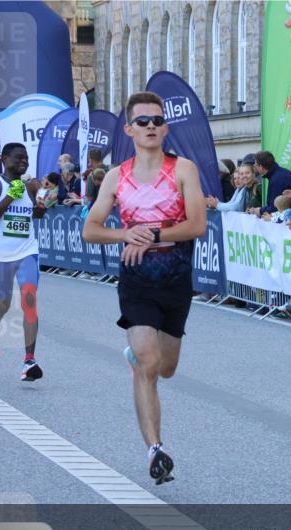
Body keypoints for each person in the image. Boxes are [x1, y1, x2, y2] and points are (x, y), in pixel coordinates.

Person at [83, 91, 208, 485]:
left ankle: (140, 358)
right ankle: (155, 448)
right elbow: (91, 229)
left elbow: (197, 226)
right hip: (136, 279)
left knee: (166, 367)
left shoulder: (184, 169)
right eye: (143, 121)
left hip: (175, 277)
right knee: (148, 363)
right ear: (129, 129)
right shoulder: (117, 176)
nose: (151, 126)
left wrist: (151, 233)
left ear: (165, 127)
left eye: (157, 120)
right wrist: (126, 234)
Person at [0, 143, 47, 381]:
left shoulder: (32, 186)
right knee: (3, 303)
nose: (24, 162)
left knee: (29, 299)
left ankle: (29, 360)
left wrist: (40, 208)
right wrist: (9, 198)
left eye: (26, 158)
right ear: (5, 158)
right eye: (19, 158)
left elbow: (37, 215)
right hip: (2, 254)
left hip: (27, 250)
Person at [249, 151, 291, 215]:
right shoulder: (280, 173)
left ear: (261, 167)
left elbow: (275, 208)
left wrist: (259, 210)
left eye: (255, 165)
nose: (254, 167)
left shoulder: (276, 179)